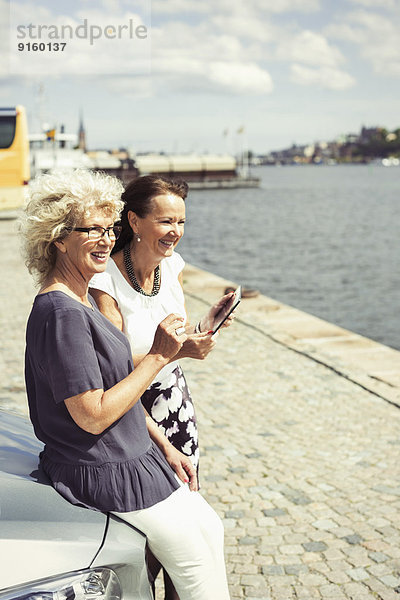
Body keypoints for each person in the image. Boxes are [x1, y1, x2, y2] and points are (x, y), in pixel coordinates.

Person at [20, 169, 230, 600]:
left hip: (135, 455)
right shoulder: (63, 312)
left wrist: (164, 445)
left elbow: (117, 384)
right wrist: (159, 355)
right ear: (59, 238)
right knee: (195, 568)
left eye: (108, 228)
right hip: (104, 468)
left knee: (210, 527)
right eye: (91, 230)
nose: (104, 239)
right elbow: (92, 415)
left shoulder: (78, 298)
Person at [89, 174, 235, 599]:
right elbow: (111, 371)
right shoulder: (105, 284)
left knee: (189, 528)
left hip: (176, 405)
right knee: (150, 540)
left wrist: (202, 333)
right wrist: (175, 352)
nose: (176, 232)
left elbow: (176, 333)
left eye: (182, 222)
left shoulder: (173, 266)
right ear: (134, 221)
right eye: (166, 221)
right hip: (132, 409)